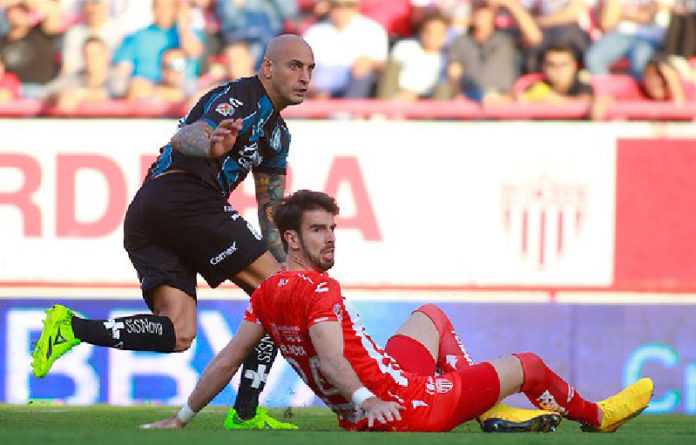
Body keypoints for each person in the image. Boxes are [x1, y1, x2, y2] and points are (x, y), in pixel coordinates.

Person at [140, 189, 654, 433]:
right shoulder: (320, 289)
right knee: (531, 366)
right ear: (291, 238)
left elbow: (228, 359)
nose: (330, 239)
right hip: (405, 405)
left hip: (381, 392)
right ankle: (597, 417)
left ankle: (490, 409)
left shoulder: (266, 292)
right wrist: (366, 399)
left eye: (334, 229)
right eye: (319, 230)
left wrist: (182, 418)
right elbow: (330, 355)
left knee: (429, 316)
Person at [31, 34, 316, 430]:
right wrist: (212, 145)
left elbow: (270, 210)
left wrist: (287, 262)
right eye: (294, 66)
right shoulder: (238, 99)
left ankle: (71, 327)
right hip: (184, 198)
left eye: (309, 69)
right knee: (277, 294)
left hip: (151, 213)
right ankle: (246, 413)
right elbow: (187, 135)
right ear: (267, 68)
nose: (304, 77)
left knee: (180, 334)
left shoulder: (278, 135)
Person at [516, 43, 594, 104]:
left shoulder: (585, 85)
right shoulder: (536, 85)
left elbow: (587, 102)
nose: (558, 69)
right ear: (543, 67)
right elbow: (515, 98)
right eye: (551, 64)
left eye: (564, 64)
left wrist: (553, 98)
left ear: (574, 66)